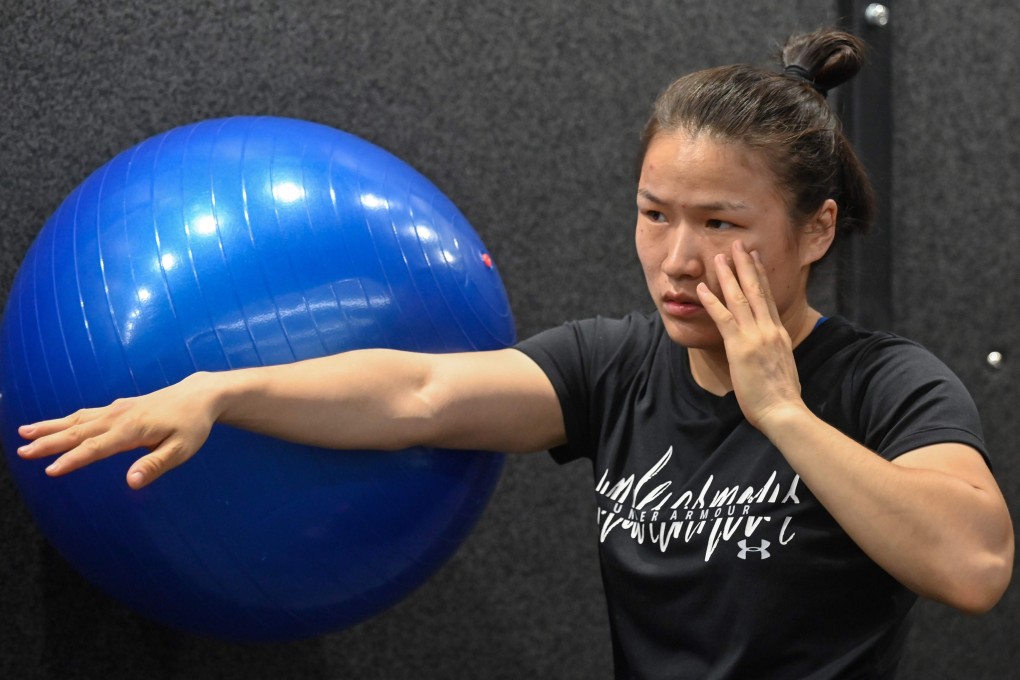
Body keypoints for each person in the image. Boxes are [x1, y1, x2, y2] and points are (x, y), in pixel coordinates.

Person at [15, 28, 1012, 679]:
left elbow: (973, 564)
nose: (675, 257)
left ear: (816, 229)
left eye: (720, 222)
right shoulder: (614, 367)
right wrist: (218, 388)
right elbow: (416, 391)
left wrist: (783, 413)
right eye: (654, 214)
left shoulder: (886, 384)